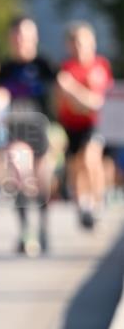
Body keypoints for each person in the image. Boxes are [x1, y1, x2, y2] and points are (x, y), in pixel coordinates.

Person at [0, 17, 57, 255]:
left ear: (34, 37)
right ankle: (25, 232)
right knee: (19, 171)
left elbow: (63, 89)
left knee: (42, 183)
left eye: (26, 35)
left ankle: (43, 230)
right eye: (17, 36)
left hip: (42, 131)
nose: (21, 40)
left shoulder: (45, 65)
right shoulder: (6, 69)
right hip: (17, 132)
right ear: (12, 39)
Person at [56, 21, 113, 229]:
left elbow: (98, 102)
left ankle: (98, 201)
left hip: (94, 124)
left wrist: (75, 92)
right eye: (75, 43)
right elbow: (64, 100)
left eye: (83, 42)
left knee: (91, 158)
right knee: (76, 166)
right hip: (71, 125)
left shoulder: (100, 66)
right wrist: (79, 97)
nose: (80, 48)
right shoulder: (66, 68)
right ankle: (84, 205)